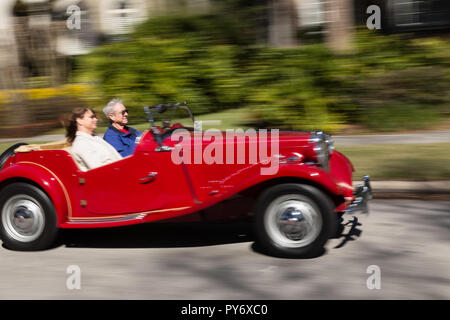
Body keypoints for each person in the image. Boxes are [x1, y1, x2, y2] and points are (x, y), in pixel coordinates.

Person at [66, 107, 122, 171]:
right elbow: (98, 170)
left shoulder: (95, 138)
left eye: (95, 117)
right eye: (91, 117)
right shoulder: (81, 144)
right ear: (79, 121)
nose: (96, 119)